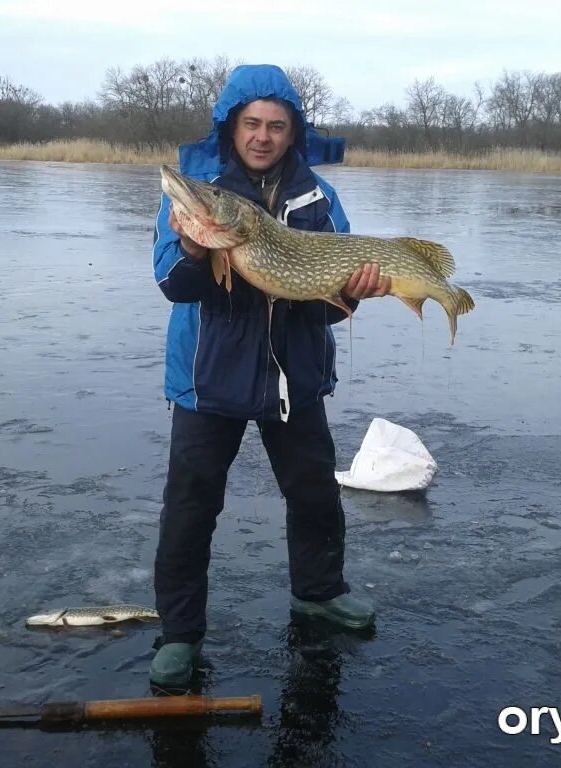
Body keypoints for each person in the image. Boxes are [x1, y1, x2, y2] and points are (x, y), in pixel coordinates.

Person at [149, 64, 390, 688]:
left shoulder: (318, 198)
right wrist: (199, 250)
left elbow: (322, 303)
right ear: (231, 126)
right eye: (251, 123)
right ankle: (179, 634)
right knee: (191, 508)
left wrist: (353, 291)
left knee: (314, 492)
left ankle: (319, 592)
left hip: (294, 373)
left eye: (275, 126)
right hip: (209, 376)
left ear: (292, 132)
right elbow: (173, 285)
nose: (262, 136)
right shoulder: (195, 193)